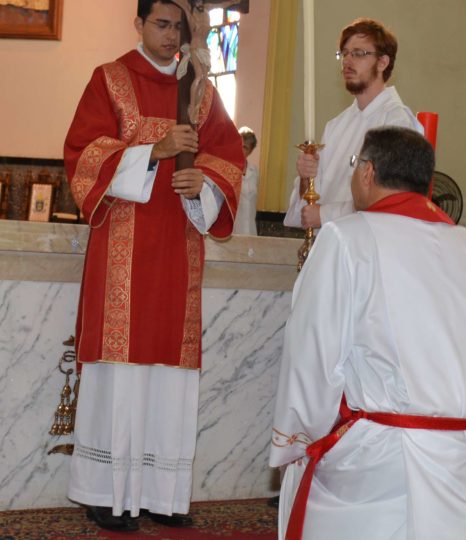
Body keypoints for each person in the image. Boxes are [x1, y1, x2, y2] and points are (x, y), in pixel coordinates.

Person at [270, 126, 466, 540]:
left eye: (354, 166)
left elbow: (312, 353)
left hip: (386, 466)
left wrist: (299, 440)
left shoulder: (345, 238)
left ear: (367, 172)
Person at [63, 0, 245, 532]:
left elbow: (228, 154)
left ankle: (161, 494)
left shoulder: (202, 90)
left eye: (179, 26)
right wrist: (154, 150)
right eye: (161, 24)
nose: (170, 35)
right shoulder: (110, 79)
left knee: (169, 372)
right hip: (123, 247)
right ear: (138, 23)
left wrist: (203, 182)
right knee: (120, 370)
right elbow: (83, 154)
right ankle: (106, 493)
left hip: (178, 248)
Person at [285, 18, 422, 230]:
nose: (348, 61)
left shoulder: (398, 123)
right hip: (329, 247)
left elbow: (392, 201)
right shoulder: (336, 126)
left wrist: (325, 214)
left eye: (359, 53)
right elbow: (305, 212)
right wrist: (305, 178)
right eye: (344, 53)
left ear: (383, 62)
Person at [234, 127, 259, 235]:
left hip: (250, 230)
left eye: (245, 147)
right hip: (233, 230)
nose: (240, 149)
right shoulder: (228, 169)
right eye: (239, 145)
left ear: (250, 150)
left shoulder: (254, 171)